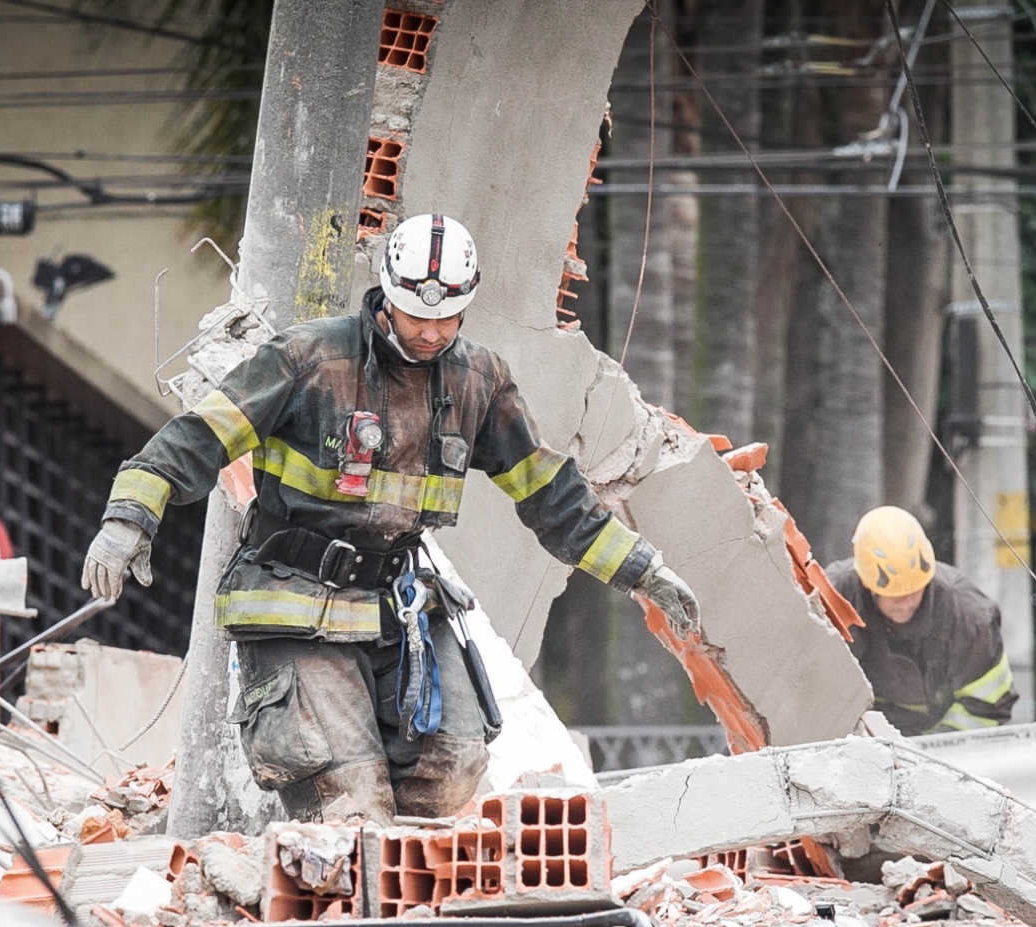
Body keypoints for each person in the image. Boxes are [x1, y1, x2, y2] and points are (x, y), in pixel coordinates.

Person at [83, 213, 700, 824]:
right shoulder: (308, 359)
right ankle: (338, 889)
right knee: (347, 800)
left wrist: (641, 570)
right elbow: (197, 438)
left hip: (396, 609)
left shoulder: (478, 381)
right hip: (294, 603)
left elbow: (549, 491)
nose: (432, 333)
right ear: (385, 298)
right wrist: (128, 520)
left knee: (453, 766)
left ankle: (401, 905)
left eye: (446, 318)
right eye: (417, 317)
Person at [825, 506, 1016, 735]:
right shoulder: (834, 598)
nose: (905, 602)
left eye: (915, 590)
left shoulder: (967, 615)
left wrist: (932, 754)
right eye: (894, 594)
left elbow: (987, 707)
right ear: (866, 582)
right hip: (861, 738)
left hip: (946, 744)